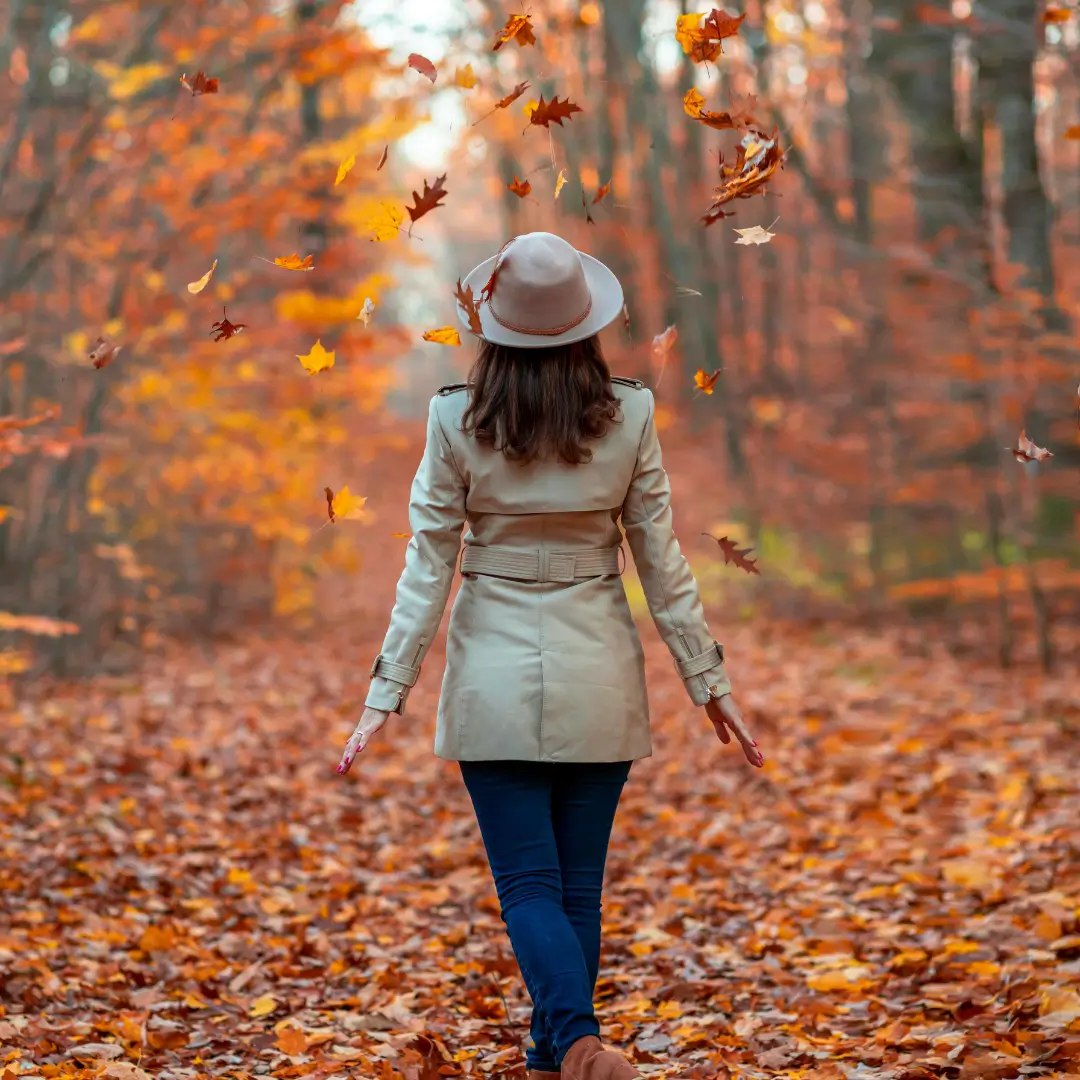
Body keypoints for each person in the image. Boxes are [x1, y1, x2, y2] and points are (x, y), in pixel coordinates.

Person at [337, 232, 762, 1080]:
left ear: (494, 326)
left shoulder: (454, 416)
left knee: (532, 888)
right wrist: (706, 680)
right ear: (585, 327)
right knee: (576, 891)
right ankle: (559, 1054)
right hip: (597, 670)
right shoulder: (631, 412)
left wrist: (387, 691)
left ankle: (568, 1046)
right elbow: (660, 558)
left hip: (491, 678)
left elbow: (429, 563)